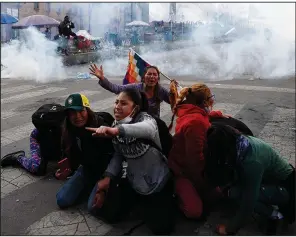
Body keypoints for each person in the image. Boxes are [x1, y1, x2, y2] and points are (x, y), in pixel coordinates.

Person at [85, 88, 175, 235]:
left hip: (158, 183)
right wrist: (108, 177)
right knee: (109, 214)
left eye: (123, 103)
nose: (117, 107)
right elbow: (119, 155)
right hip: (135, 183)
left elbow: (146, 128)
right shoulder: (116, 124)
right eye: (116, 102)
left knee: (162, 228)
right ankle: (139, 204)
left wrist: (116, 131)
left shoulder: (147, 120)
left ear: (135, 108)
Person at [205, 124, 295, 235]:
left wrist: (230, 229)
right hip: (269, 181)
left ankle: (275, 214)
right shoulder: (240, 144)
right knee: (232, 190)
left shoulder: (252, 163)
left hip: (285, 189)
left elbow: (249, 202)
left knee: (236, 194)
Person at [56, 93, 115, 209]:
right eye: (72, 112)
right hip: (86, 169)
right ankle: (89, 187)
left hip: (104, 171)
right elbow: (71, 154)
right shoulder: (68, 130)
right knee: (62, 200)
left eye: (81, 111)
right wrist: (66, 169)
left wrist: (107, 179)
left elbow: (116, 156)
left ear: (87, 110)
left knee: (92, 207)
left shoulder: (100, 127)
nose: (77, 116)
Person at [1, 103, 66, 176]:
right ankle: (18, 158)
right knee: (36, 168)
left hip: (57, 140)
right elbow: (42, 163)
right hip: (40, 138)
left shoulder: (71, 125)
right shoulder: (46, 134)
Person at [89, 64, 170, 118]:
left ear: (158, 78)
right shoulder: (135, 88)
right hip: (136, 123)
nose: (152, 76)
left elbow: (174, 101)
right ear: (144, 77)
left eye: (155, 74)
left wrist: (177, 89)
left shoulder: (160, 91)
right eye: (149, 74)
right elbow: (116, 88)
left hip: (154, 125)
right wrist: (102, 78)